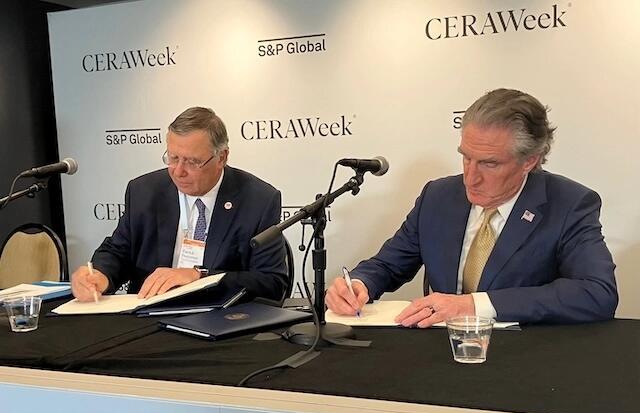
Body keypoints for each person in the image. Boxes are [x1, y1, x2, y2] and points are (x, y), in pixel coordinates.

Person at [326, 88, 618, 326]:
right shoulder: (438, 196)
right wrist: (359, 283)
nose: (470, 177)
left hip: (523, 358)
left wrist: (472, 306)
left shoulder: (569, 204)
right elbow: (388, 265)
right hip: (437, 355)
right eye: (466, 157)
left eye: (489, 164)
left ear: (529, 161)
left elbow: (597, 292)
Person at [71, 107, 287, 302]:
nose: (178, 171)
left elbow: (272, 282)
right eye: (173, 158)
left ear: (221, 157)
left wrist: (200, 276)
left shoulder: (258, 200)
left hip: (221, 317)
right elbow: (118, 251)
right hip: (149, 313)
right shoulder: (144, 191)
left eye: (192, 162)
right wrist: (99, 274)